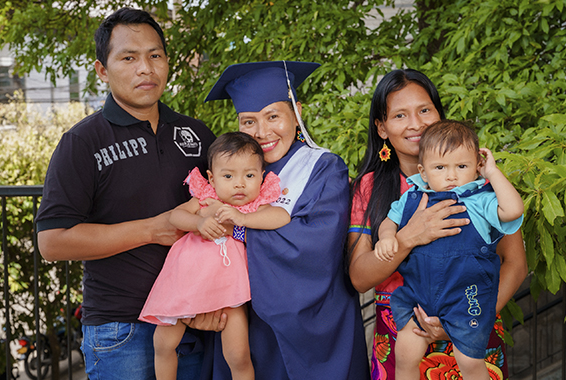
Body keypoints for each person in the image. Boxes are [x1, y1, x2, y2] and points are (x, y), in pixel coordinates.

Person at [35, 8, 219, 380]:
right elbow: (52, 242)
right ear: (103, 70)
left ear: (167, 62)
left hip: (195, 322)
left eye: (155, 55)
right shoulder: (82, 142)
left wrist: (219, 298)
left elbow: (227, 215)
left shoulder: (197, 135)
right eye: (128, 57)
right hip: (123, 329)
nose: (145, 68)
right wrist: (154, 229)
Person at [348, 69, 528, 380]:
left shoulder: (476, 179)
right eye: (400, 115)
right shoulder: (369, 187)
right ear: (381, 127)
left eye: (424, 110)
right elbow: (359, 278)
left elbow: (515, 262)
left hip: (473, 318)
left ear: (439, 114)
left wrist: (471, 318)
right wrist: (407, 239)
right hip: (403, 329)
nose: (415, 123)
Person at [203, 61, 370, 379]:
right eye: (249, 121)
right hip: (246, 326)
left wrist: (236, 230)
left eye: (273, 116)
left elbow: (315, 244)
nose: (262, 132)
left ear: (297, 114)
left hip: (317, 328)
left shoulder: (323, 168)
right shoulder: (236, 175)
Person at [374, 120, 524, 380]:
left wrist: (493, 174)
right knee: (405, 352)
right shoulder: (411, 197)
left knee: (468, 361)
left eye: (462, 166)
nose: (451, 176)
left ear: (476, 167)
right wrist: (386, 238)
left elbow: (513, 211)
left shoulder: (480, 199)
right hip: (419, 297)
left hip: (465, 298)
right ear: (423, 171)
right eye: (440, 168)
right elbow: (389, 222)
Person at [140, 132, 291, 380]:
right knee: (163, 343)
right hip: (185, 284)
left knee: (239, 355)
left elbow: (281, 217)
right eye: (228, 176)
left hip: (229, 292)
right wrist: (198, 222)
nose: (239, 184)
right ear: (212, 178)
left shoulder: (253, 206)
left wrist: (243, 218)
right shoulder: (205, 198)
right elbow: (175, 216)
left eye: (249, 175)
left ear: (262, 177)